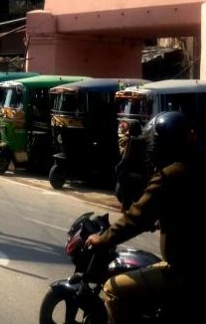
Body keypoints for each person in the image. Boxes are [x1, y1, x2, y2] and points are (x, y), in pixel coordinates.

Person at [85, 111, 205, 323]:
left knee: (114, 289)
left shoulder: (170, 175)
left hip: (184, 271)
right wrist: (163, 218)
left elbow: (136, 218)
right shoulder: (197, 165)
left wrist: (102, 239)